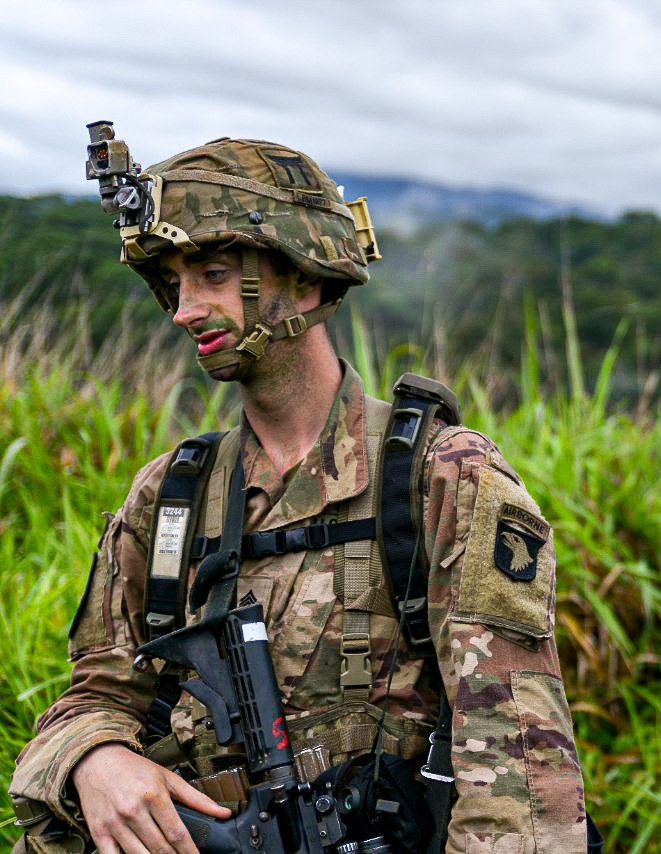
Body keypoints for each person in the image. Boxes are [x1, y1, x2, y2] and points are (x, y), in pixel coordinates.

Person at [9, 133, 588, 853]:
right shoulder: (171, 498)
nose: (185, 312)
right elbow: (95, 692)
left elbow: (518, 761)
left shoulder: (441, 477)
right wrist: (96, 758)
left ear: (304, 281)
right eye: (176, 288)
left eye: (213, 275)